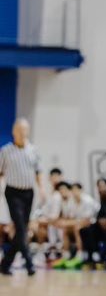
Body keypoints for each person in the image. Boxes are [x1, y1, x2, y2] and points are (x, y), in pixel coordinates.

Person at [0, 118, 45, 276]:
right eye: (19, 130)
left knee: (22, 230)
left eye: (25, 130)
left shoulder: (33, 150)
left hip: (28, 193)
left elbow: (38, 171)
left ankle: (5, 264)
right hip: (13, 193)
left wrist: (42, 189)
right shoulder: (5, 151)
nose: (22, 133)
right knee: (20, 227)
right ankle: (29, 264)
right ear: (13, 132)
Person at [79, 179, 106, 268]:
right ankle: (92, 256)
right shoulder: (103, 198)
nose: (101, 189)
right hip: (105, 225)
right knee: (85, 230)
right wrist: (101, 220)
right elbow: (100, 214)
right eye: (99, 186)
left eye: (103, 186)